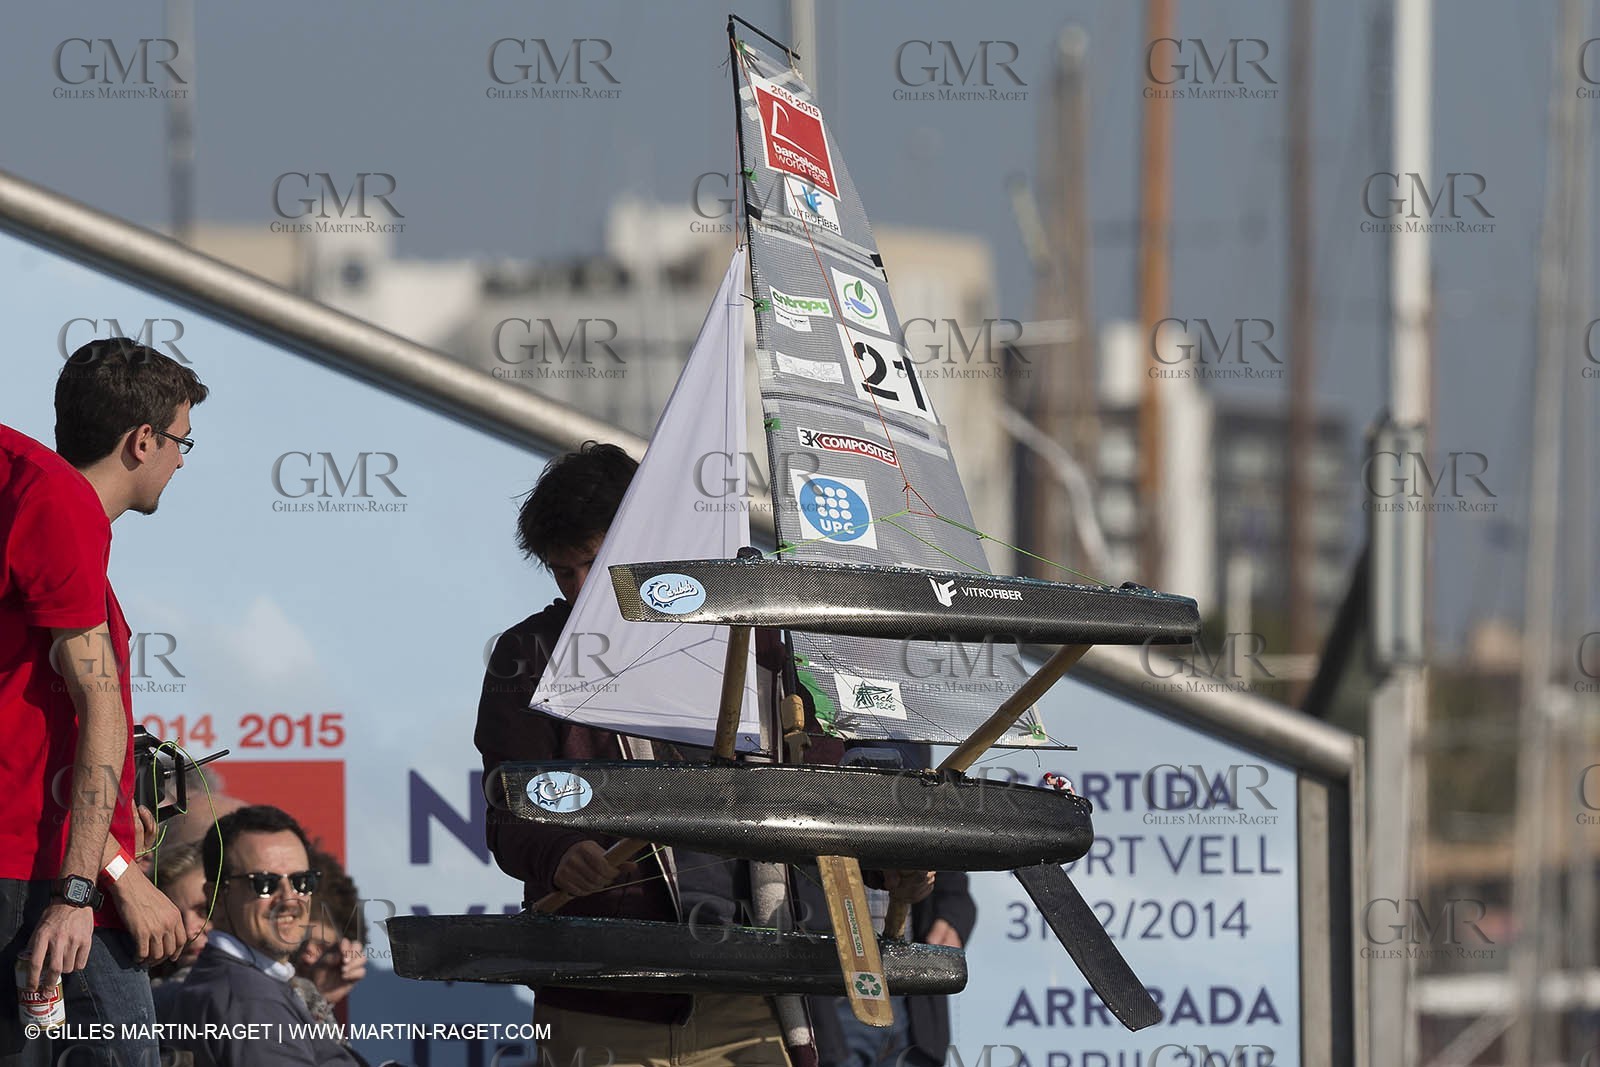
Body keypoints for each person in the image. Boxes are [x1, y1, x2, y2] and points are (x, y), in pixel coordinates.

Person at [476, 442, 932, 1067]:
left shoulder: (757, 639)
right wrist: (560, 854)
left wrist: (887, 866)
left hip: (750, 991)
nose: (581, 590)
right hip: (600, 997)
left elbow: (820, 788)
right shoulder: (527, 653)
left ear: (646, 538)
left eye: (593, 563)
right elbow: (508, 809)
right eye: (563, 573)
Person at [1, 337, 204, 1067]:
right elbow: (95, 714)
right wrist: (94, 884)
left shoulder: (28, 491)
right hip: (44, 889)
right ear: (142, 439)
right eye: (183, 441)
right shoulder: (56, 501)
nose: (182, 461)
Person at [165, 806, 366, 1067]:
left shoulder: (255, 984)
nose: (289, 899)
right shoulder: (249, 1001)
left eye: (301, 881)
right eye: (264, 884)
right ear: (217, 897)